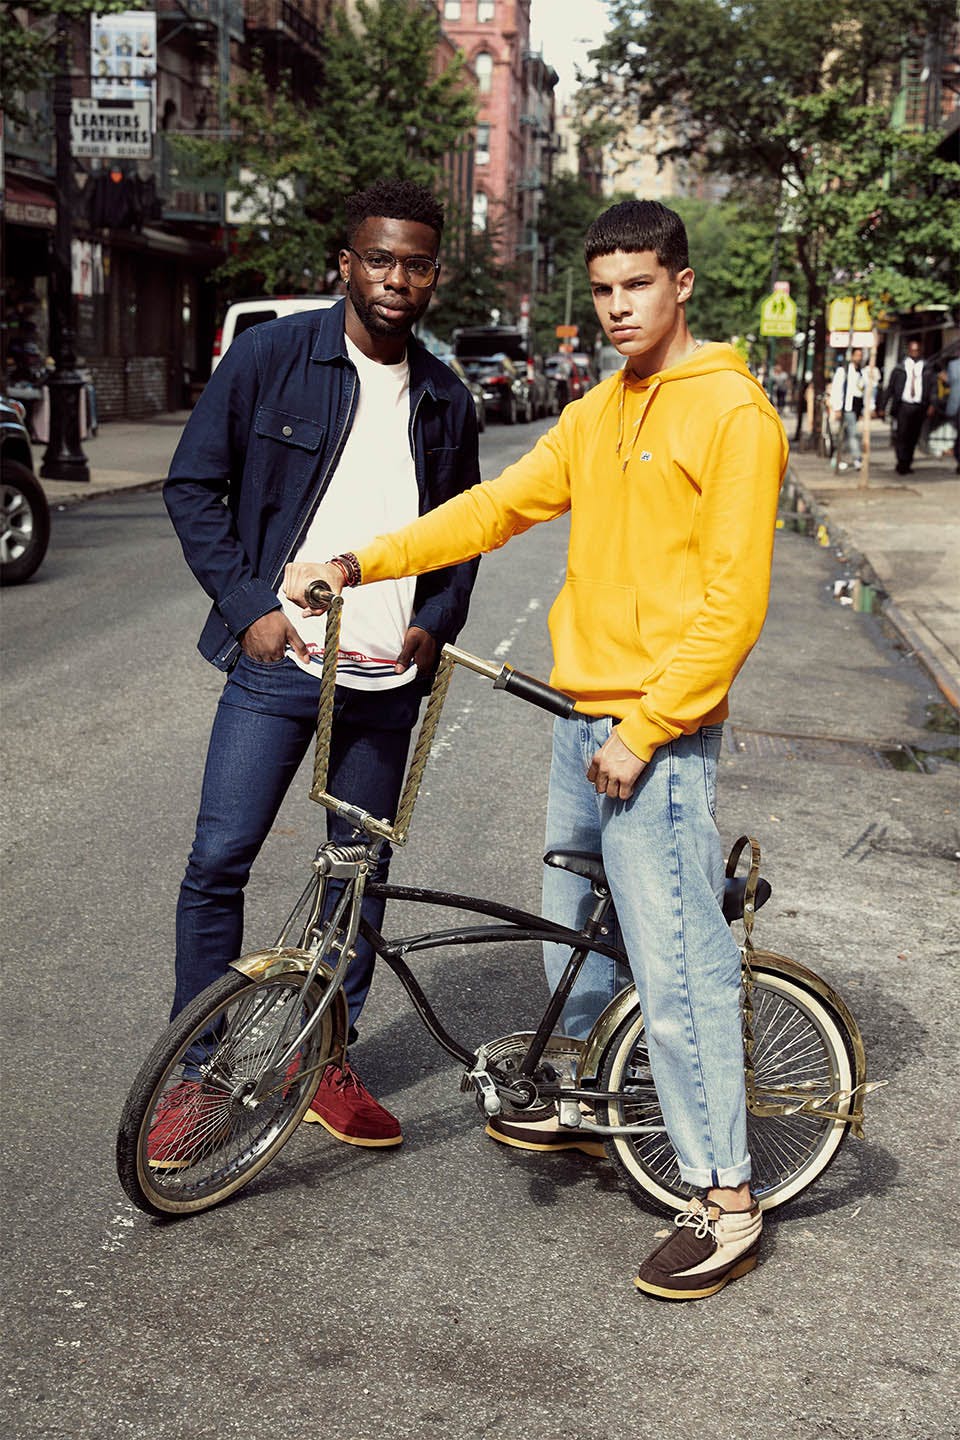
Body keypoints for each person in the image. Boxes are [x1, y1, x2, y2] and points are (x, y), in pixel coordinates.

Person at [289, 199, 789, 1301]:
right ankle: (580, 1104)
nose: (618, 309)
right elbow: (491, 509)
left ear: (683, 285)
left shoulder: (733, 414)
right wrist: (361, 561)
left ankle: (726, 1201)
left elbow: (732, 604)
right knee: (578, 933)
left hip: (650, 732)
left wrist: (651, 727)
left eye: (638, 287)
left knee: (678, 969)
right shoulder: (600, 408)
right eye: (604, 289)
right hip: (582, 719)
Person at [161, 178, 480, 1153]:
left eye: (415, 263)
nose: (396, 279)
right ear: (345, 263)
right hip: (281, 666)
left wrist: (435, 620)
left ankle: (320, 1059)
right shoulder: (269, 358)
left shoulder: (445, 398)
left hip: (387, 680)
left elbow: (461, 536)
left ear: (434, 275)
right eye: (379, 259)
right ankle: (198, 1073)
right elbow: (191, 488)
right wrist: (250, 606)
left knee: (355, 878)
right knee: (219, 863)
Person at [881, 338, 936, 475]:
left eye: (917, 350)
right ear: (908, 351)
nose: (915, 352)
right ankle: (901, 462)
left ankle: (908, 462)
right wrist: (882, 406)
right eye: (912, 350)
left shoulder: (927, 368)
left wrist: (932, 404)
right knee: (902, 435)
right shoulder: (900, 368)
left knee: (913, 436)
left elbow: (933, 388)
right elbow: (890, 388)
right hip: (903, 406)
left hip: (919, 406)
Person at [829, 347, 867, 471]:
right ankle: (857, 459)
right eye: (857, 355)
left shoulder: (862, 372)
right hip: (846, 407)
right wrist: (837, 408)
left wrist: (864, 409)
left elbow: (863, 392)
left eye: (860, 356)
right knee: (853, 434)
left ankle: (836, 458)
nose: (859, 358)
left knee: (845, 436)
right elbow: (837, 389)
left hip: (856, 408)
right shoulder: (843, 371)